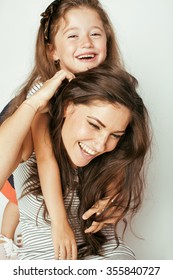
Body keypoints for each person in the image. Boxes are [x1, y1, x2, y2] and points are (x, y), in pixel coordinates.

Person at [0, 0, 124, 259]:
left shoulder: (114, 94)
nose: (87, 42)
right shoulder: (43, 95)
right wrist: (60, 223)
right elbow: (45, 158)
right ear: (52, 51)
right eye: (73, 35)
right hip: (33, 166)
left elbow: (119, 155)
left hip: (79, 197)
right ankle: (7, 241)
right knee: (18, 194)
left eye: (95, 34)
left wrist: (114, 196)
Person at [0, 64, 151, 259]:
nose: (100, 145)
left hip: (107, 255)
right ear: (67, 107)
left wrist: (115, 202)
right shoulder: (32, 138)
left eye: (115, 135)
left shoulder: (113, 154)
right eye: (94, 125)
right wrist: (33, 103)